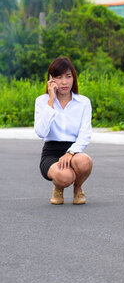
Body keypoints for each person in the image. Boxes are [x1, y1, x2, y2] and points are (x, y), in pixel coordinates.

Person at [34, 57, 93, 205]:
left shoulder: (83, 102)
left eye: (68, 76)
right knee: (65, 177)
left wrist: (71, 152)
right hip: (51, 152)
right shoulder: (42, 101)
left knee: (85, 161)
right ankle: (58, 187)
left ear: (73, 77)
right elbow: (41, 132)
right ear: (51, 80)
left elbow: (85, 134)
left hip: (74, 151)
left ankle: (78, 188)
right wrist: (51, 101)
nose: (64, 82)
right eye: (59, 77)